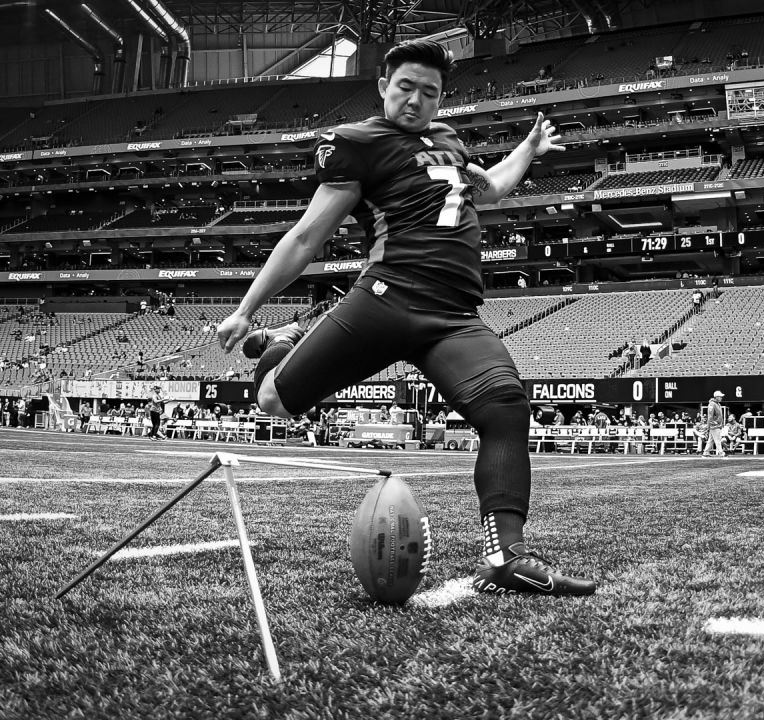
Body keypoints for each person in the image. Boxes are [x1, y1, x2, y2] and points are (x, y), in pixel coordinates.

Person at [215, 39, 593, 597]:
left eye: (430, 92)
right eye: (406, 87)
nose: (416, 100)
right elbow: (305, 236)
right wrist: (245, 310)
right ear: (383, 87)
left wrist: (529, 150)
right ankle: (279, 349)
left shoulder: (448, 143)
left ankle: (507, 558)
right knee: (273, 401)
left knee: (507, 407)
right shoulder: (360, 142)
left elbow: (489, 189)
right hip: (388, 299)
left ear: (442, 98)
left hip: (454, 316)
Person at [702, 390, 727, 457]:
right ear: (716, 397)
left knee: (711, 440)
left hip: (717, 425)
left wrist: (720, 424)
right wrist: (710, 425)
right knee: (717, 439)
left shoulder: (718, 404)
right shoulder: (712, 404)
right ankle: (721, 453)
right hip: (714, 425)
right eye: (720, 397)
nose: (721, 398)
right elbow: (710, 416)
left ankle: (706, 453)